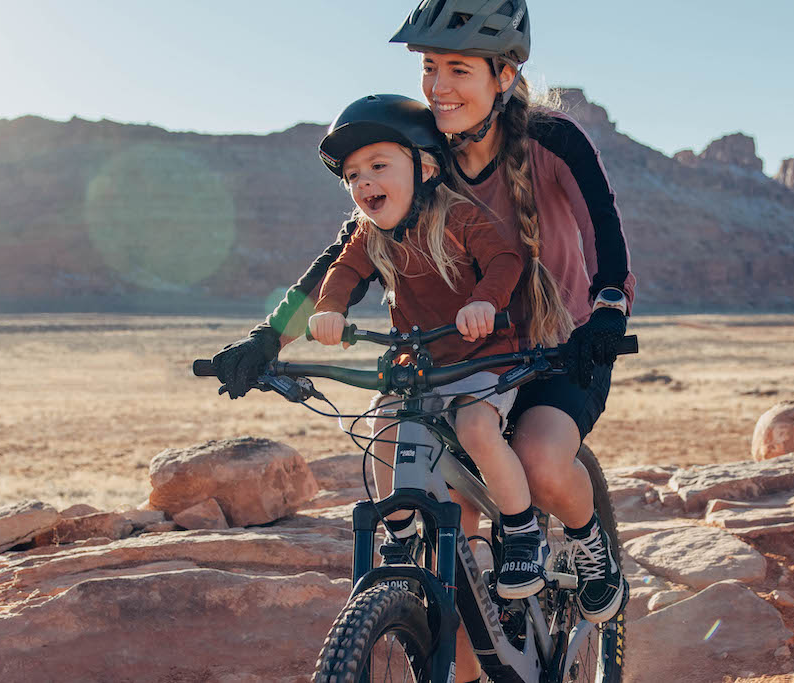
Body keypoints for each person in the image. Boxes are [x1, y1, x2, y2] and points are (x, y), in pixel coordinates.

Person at [212, 2, 634, 680]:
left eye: (458, 68)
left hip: (557, 353)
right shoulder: (420, 151)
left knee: (541, 463)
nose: (438, 84)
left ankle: (593, 552)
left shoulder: (552, 139)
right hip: (452, 364)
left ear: (504, 74)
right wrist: (268, 337)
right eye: (429, 66)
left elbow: (604, 229)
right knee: (453, 545)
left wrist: (610, 309)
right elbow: (342, 256)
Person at [307, 92, 556, 598]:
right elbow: (343, 272)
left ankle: (523, 529)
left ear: (424, 166)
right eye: (353, 176)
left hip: (483, 357)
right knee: (382, 426)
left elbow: (506, 259)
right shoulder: (367, 235)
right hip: (419, 364)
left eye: (378, 165)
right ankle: (399, 532)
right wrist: (329, 310)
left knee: (475, 426)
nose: (364, 182)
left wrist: (484, 302)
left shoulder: (460, 218)